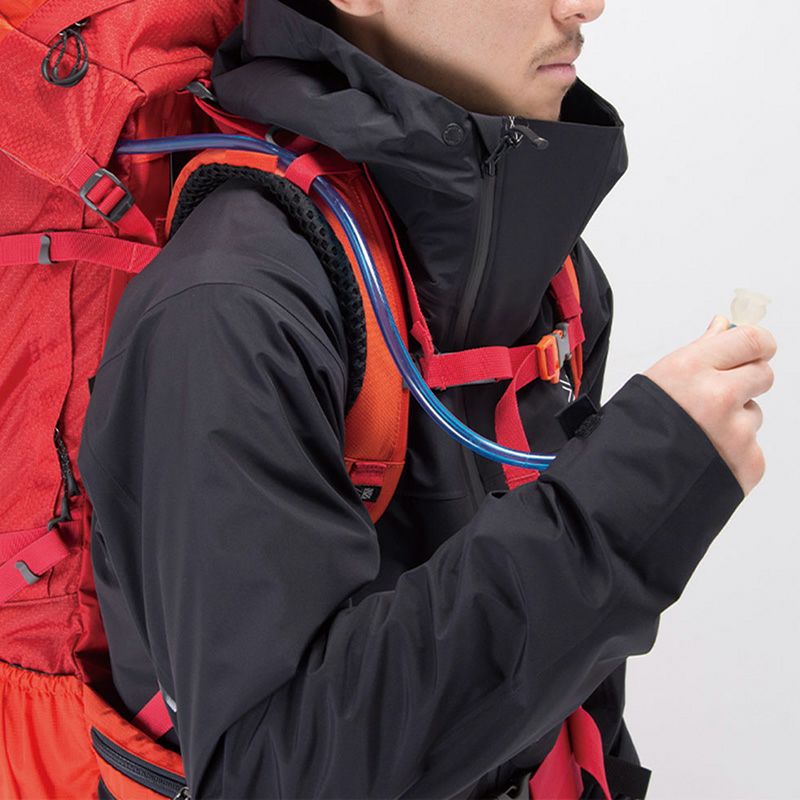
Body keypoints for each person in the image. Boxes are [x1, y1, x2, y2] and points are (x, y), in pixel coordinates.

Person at [77, 0, 777, 797]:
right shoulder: (230, 306)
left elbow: (566, 668)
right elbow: (271, 774)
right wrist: (629, 502)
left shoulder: (551, 269)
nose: (587, 4)